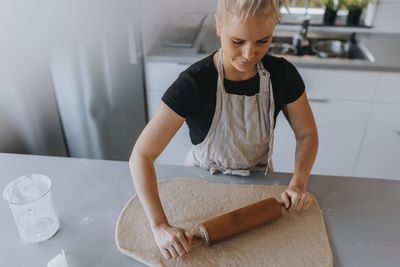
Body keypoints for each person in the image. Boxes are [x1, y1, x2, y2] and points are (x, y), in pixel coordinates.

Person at [129, 0, 318, 260]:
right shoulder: (193, 83)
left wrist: (298, 183)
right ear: (219, 26)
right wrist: (160, 225)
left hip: (258, 187)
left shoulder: (283, 75)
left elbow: (307, 134)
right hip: (202, 183)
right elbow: (141, 155)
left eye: (263, 41)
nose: (250, 54)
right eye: (237, 41)